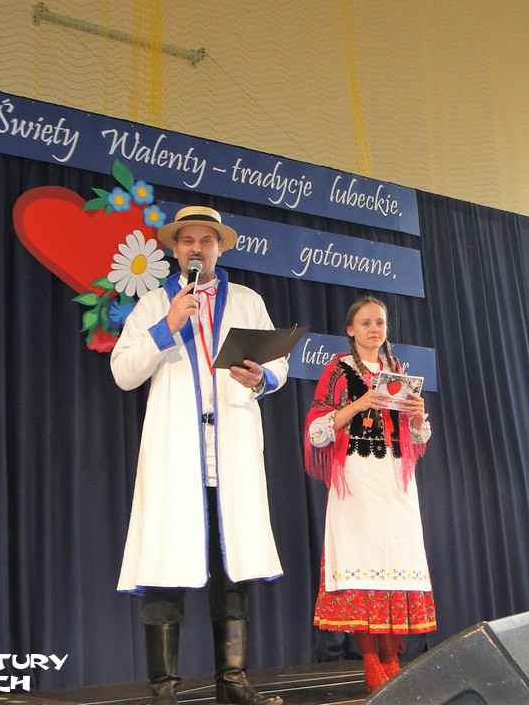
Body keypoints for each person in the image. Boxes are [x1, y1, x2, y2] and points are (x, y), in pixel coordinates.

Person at [111, 205, 286, 705]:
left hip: (230, 453)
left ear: (219, 248)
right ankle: (164, 691)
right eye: (187, 240)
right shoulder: (152, 303)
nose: (196, 248)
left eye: (206, 241)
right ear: (173, 249)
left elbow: (278, 362)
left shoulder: (248, 301)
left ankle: (233, 684)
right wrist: (167, 325)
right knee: (166, 570)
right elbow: (123, 372)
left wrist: (263, 376)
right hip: (177, 456)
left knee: (231, 571)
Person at [303, 295, 436, 694]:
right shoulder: (338, 370)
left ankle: (391, 656)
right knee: (360, 562)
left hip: (394, 479)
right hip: (356, 478)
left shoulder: (397, 371)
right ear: (350, 330)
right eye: (365, 323)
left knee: (394, 560)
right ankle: (370, 659)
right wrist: (359, 403)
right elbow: (317, 430)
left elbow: (417, 438)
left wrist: (418, 418)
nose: (374, 329)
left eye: (380, 322)